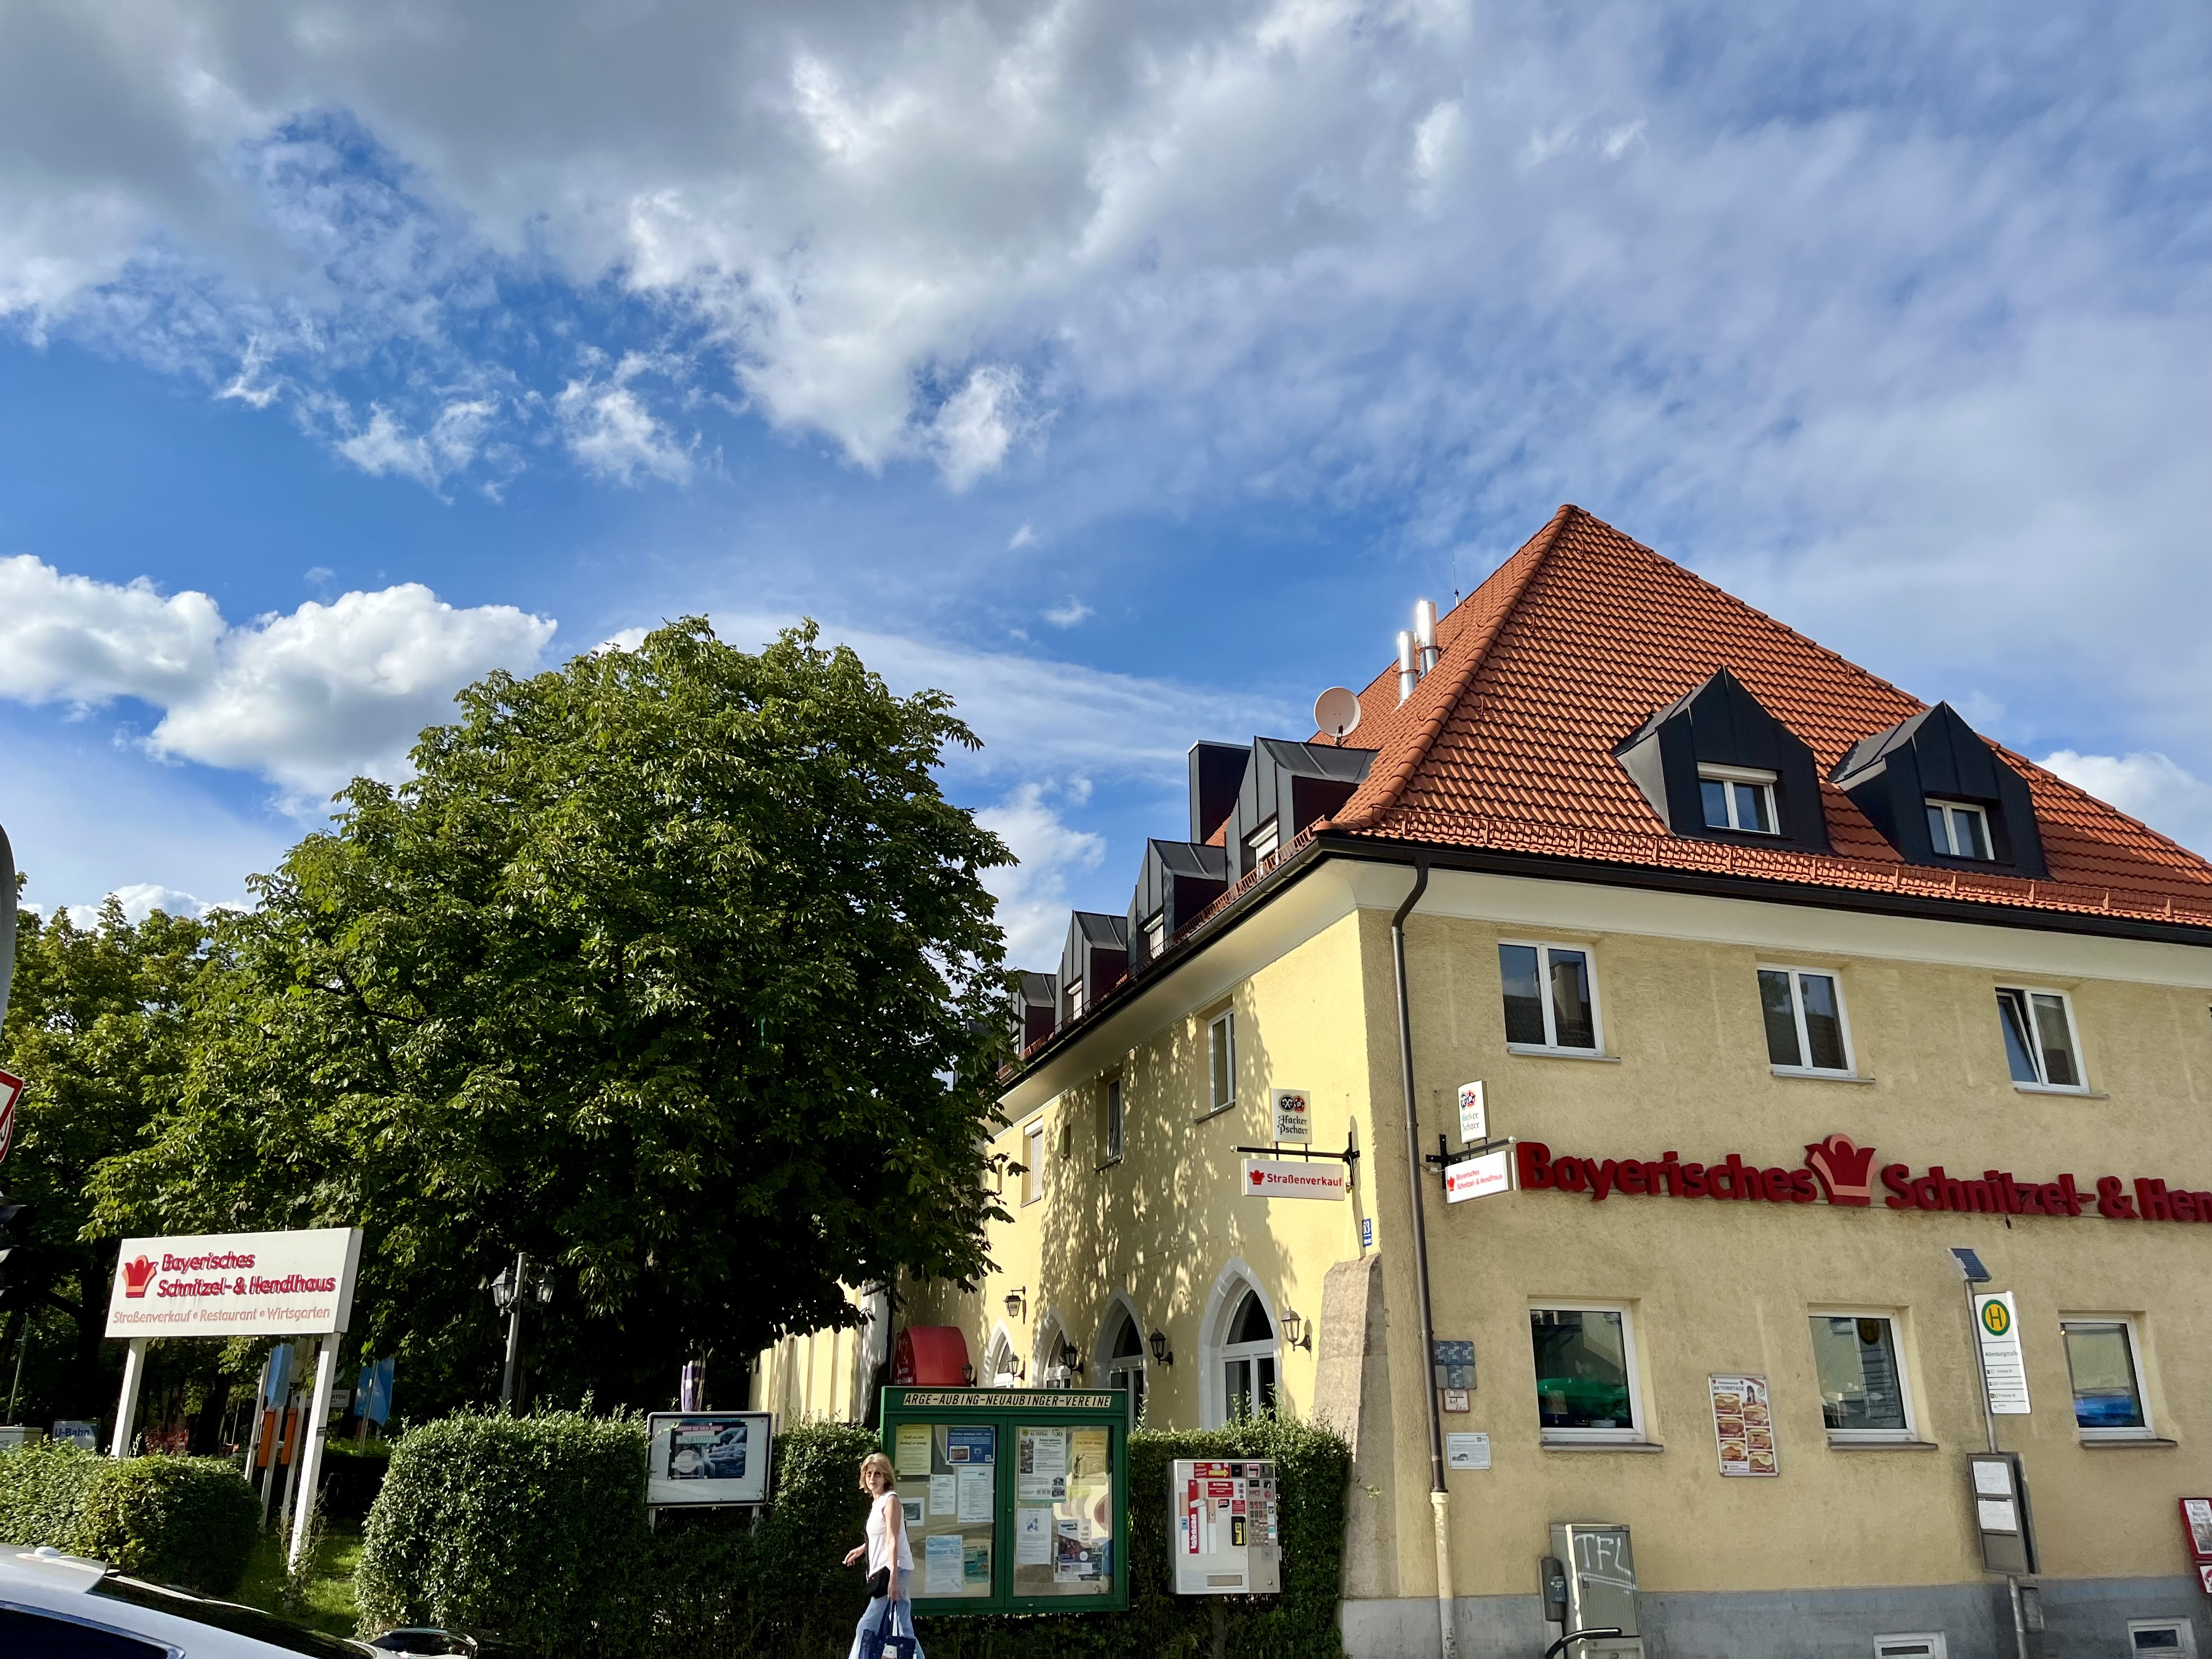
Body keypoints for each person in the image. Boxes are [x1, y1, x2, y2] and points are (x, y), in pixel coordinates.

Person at [843, 1450, 924, 1657]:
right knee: (903, 1627)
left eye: (878, 1474)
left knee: (866, 1625)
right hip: (890, 1570)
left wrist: (894, 1579)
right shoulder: (878, 1501)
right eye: (869, 1474)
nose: (872, 1478)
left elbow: (893, 1538)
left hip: (893, 1570)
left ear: (886, 1477)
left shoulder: (891, 1501)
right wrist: (864, 1548)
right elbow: (880, 1535)